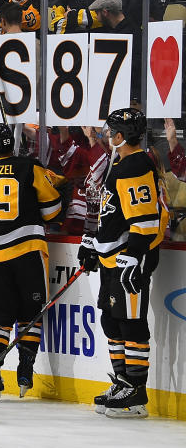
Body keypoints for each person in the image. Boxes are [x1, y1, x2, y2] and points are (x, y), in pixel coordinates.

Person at [78, 108, 169, 418]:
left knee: (131, 322)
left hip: (130, 259)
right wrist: (93, 243)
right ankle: (122, 382)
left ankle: (136, 392)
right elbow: (113, 213)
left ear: (121, 136)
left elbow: (145, 217)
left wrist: (135, 256)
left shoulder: (136, 165)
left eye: (110, 130)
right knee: (112, 320)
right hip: (114, 256)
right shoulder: (122, 162)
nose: (106, 134)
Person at [0, 124, 62, 401]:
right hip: (26, 251)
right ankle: (25, 371)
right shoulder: (29, 167)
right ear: (14, 144)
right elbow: (52, 210)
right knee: (29, 313)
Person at [89, 0, 141, 101]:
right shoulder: (124, 29)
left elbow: (136, 64)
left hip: (127, 92)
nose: (96, 18)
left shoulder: (131, 34)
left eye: (97, 13)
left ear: (105, 12)